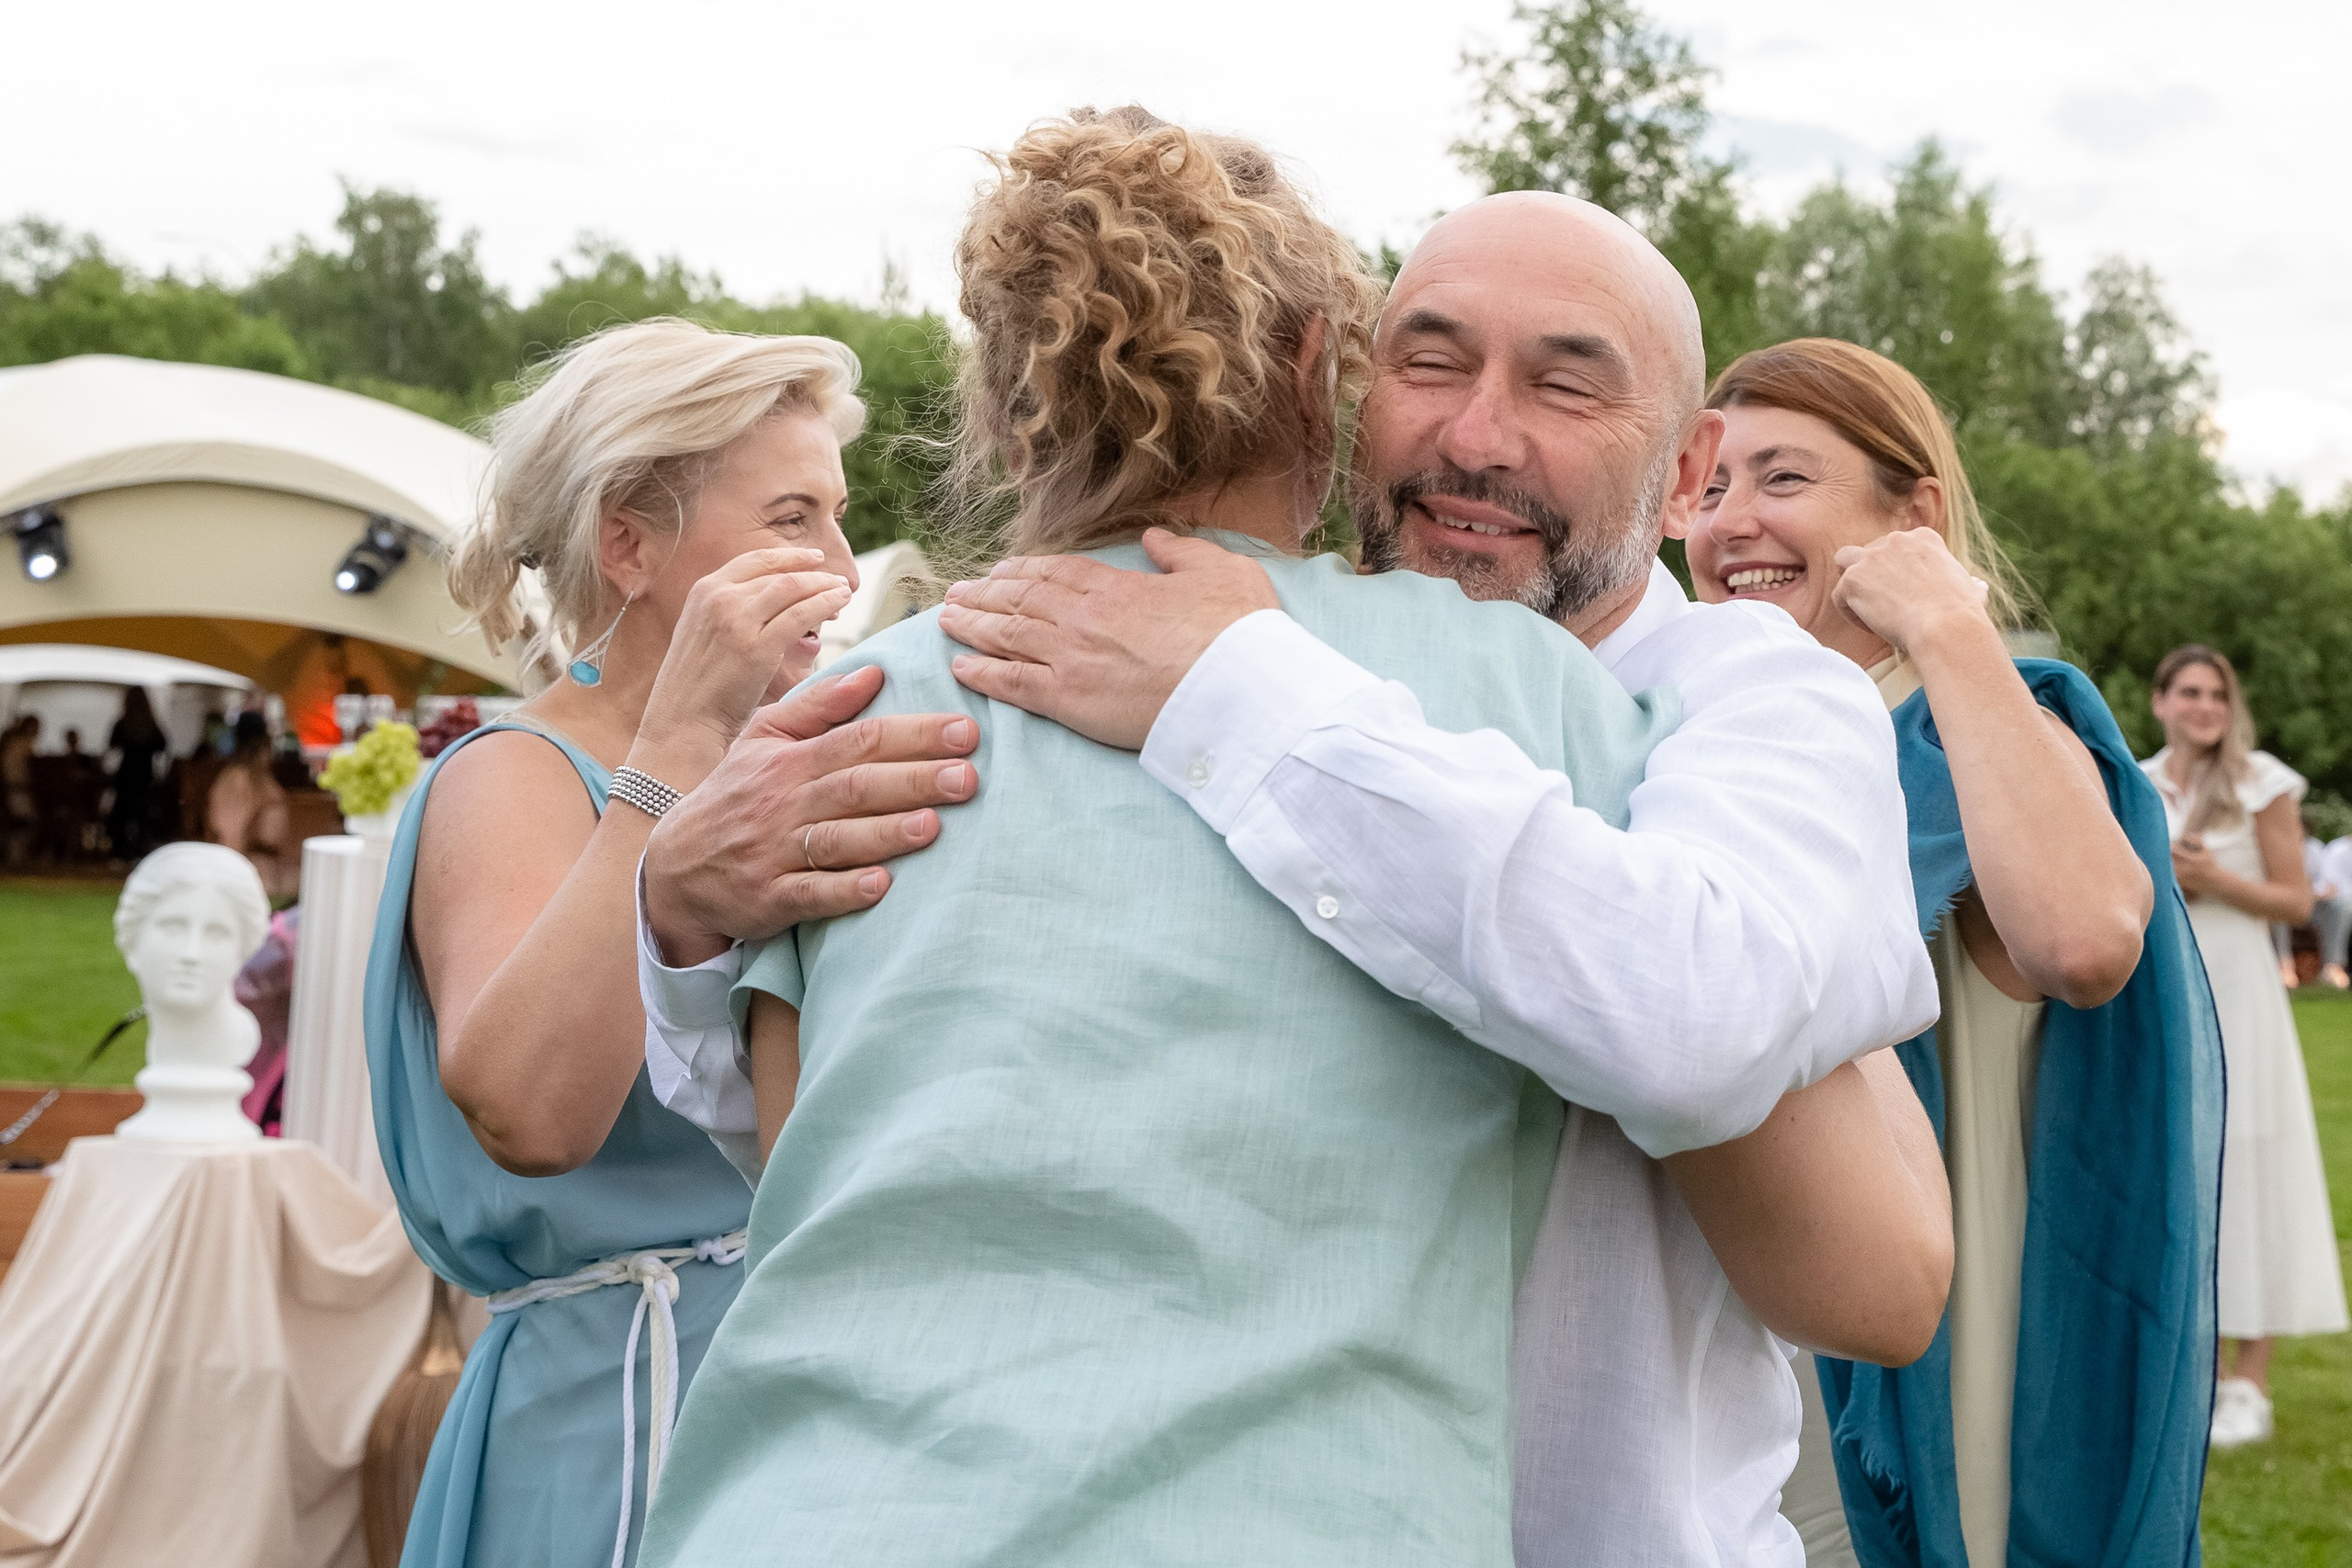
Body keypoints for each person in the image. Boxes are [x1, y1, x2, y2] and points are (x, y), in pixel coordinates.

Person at [640, 115, 1945, 1568]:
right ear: (1332, 377)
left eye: (1567, 383)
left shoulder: (1736, 707)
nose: (1476, 436)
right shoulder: (997, 674)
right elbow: (855, 1155)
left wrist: (1236, 690)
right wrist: (680, 904)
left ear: (1692, 464)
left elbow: (1867, 1254)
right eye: (1430, 360)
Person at [363, 318, 980, 1568]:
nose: (839, 563)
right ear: (628, 542)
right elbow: (532, 1114)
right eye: (792, 517)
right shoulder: (514, 777)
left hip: (813, 1390)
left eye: (838, 517)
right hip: (615, 1414)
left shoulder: (800, 764)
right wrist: (674, 759)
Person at [1678, 340, 2227, 1565]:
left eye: (1784, 478)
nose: (1733, 522)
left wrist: (1942, 622)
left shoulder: (1980, 736)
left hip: (1919, 1365)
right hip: (1705, 1340)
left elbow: (2084, 938)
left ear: (1912, 514)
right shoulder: (1684, 748)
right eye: (1709, 486)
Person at [2144, 644, 2348, 1449]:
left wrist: (2216, 881)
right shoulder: (2135, 777)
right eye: (2189, 692)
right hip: (2167, 993)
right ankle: (2182, 1372)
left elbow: (2296, 896)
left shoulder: (2264, 782)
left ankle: (2249, 1380)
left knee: (2252, 1167)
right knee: (2176, 1170)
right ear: (2160, 701)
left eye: (2216, 694)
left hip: (2244, 998)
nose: (2203, 707)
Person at [207, 712, 296, 900]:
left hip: (264, 873)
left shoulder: (257, 776)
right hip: (250, 876)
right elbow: (229, 832)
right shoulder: (237, 779)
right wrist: (235, 877)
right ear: (264, 743)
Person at [105, 686, 167, 862]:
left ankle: (120, 851)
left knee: (121, 813)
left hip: (126, 773)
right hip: (145, 774)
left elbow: (112, 746)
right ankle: (141, 850)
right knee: (143, 814)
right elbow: (162, 746)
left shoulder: (122, 723)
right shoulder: (151, 725)